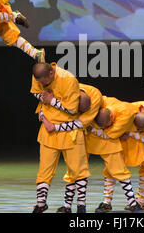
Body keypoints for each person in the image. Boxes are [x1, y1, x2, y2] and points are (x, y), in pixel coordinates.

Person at [30, 62, 90, 213]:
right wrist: (45, 103)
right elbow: (36, 94)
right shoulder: (38, 75)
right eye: (40, 83)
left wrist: (51, 100)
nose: (43, 85)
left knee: (78, 171)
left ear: (51, 73)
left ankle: (81, 205)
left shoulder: (69, 80)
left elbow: (71, 109)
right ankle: (41, 203)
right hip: (48, 132)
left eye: (45, 82)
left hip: (69, 133)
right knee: (44, 170)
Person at [41, 83, 102, 213]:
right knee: (74, 171)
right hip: (66, 129)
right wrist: (46, 120)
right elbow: (43, 105)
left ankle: (81, 206)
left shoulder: (96, 97)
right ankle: (67, 206)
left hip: (85, 130)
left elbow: (80, 123)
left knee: (79, 170)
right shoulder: (62, 89)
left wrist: (55, 127)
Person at [84, 96, 143, 213]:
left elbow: (111, 134)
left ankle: (133, 203)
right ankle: (107, 203)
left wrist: (95, 130)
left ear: (111, 117)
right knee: (108, 171)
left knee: (119, 170)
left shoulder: (126, 112)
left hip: (126, 135)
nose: (106, 128)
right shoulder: (101, 102)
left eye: (107, 125)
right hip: (106, 137)